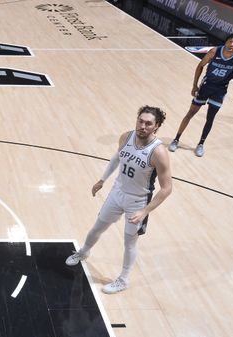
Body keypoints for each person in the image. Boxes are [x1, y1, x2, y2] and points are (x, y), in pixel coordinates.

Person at [65, 105, 172, 294]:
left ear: (156, 127)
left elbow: (167, 188)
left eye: (148, 123)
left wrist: (145, 211)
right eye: (141, 121)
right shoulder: (126, 136)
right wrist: (102, 180)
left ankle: (123, 280)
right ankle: (84, 252)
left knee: (129, 242)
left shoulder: (159, 152)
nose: (143, 126)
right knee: (98, 226)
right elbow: (117, 157)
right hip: (117, 193)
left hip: (138, 202)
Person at [167, 32, 233, 157]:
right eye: (230, 41)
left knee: (210, 118)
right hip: (206, 86)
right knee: (191, 113)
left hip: (220, 90)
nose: (232, 44)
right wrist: (194, 85)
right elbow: (200, 66)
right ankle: (176, 139)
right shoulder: (214, 51)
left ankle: (201, 144)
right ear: (226, 41)